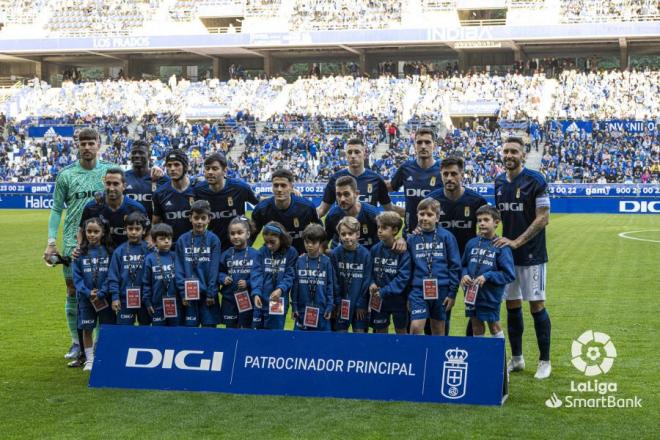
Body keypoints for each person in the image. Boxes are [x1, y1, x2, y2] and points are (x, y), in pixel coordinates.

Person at [42, 128, 114, 364]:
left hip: (104, 245)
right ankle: (77, 342)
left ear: (98, 144)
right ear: (77, 146)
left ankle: (103, 344)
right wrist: (52, 242)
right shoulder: (66, 175)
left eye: (91, 142)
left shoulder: (110, 172)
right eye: (82, 143)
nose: (86, 147)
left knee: (106, 291)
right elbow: (56, 209)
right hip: (75, 245)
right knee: (73, 291)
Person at [493, 136, 552, 380]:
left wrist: (517, 242)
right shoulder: (498, 181)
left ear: (523, 155)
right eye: (506, 151)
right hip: (508, 256)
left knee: (536, 305)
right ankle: (517, 358)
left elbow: (543, 218)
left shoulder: (535, 180)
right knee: (512, 304)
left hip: (532, 254)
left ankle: (545, 361)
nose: (509, 155)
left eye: (514, 151)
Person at [429, 156, 488, 335]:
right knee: (442, 310)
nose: (449, 178)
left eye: (454, 174)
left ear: (462, 175)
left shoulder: (476, 201)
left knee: (475, 311)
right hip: (442, 264)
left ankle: (472, 350)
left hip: (469, 265)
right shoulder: (432, 201)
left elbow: (486, 232)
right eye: (445, 174)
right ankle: (441, 350)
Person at [407, 198, 461, 336]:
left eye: (429, 215)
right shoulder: (412, 239)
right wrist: (408, 293)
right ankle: (416, 357)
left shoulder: (447, 237)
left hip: (441, 289)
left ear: (437, 217)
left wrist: (452, 293)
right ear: (417, 215)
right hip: (418, 289)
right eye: (422, 214)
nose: (425, 218)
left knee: (438, 329)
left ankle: (435, 357)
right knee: (416, 327)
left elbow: (454, 266)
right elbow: (408, 267)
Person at [460, 205, 515, 337]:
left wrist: (487, 276)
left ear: (496, 222)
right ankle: (480, 358)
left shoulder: (501, 246)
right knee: (476, 326)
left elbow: (509, 275)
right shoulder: (471, 243)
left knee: (494, 326)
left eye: (486, 220)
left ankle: (499, 357)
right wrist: (464, 275)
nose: (482, 223)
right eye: (479, 220)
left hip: (490, 295)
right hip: (471, 294)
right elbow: (463, 265)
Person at [316, 138, 399, 218]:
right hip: (345, 230)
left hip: (369, 230)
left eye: (357, 152)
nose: (353, 156)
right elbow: (322, 210)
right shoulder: (336, 178)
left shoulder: (376, 179)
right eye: (349, 152)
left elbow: (390, 208)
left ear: (364, 154)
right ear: (346, 155)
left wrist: (410, 212)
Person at [72, 217, 114, 371]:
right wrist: (88, 292)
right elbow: (76, 278)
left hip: (104, 298)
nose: (92, 235)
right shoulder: (79, 254)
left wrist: (102, 292)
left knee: (106, 327)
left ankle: (103, 356)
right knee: (87, 328)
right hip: (86, 299)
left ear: (103, 233)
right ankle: (89, 359)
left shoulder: (110, 252)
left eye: (96, 232)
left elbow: (112, 275)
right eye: (89, 231)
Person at [193, 153, 258, 251]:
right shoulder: (198, 190)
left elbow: (261, 206)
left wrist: (251, 234)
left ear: (225, 171)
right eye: (207, 168)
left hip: (238, 247)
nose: (210, 172)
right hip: (213, 246)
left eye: (215, 169)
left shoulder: (240, 188)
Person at [252, 168, 321, 254]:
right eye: (276, 185)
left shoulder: (306, 207)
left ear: (291, 187)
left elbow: (320, 231)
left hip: (300, 258)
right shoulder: (261, 209)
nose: (279, 189)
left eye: (283, 185)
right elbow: (251, 236)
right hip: (273, 258)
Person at [175, 200, 221, 328]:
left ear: (209, 219)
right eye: (196, 218)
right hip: (189, 296)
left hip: (208, 295)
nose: (199, 221)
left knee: (209, 332)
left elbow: (214, 269)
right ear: (190, 218)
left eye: (203, 218)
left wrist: (211, 292)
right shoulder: (182, 240)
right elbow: (179, 269)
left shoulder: (213, 240)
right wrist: (183, 293)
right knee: (190, 333)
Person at [388, 127, 444, 234]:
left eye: (427, 142)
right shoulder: (405, 168)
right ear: (415, 145)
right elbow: (389, 187)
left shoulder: (443, 170)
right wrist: (389, 206)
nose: (423, 146)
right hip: (410, 234)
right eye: (419, 142)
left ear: (434, 146)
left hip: (436, 234)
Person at [79, 168, 148, 246]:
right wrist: (79, 247)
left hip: (126, 255)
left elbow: (147, 233)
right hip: (101, 255)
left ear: (124, 186)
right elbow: (81, 230)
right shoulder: (91, 207)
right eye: (108, 183)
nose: (111, 188)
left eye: (116, 184)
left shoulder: (136, 208)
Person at [369, 212, 411, 334]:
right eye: (378, 227)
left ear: (395, 230)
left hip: (399, 300)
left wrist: (383, 291)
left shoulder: (403, 252)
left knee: (401, 330)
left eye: (384, 228)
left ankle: (402, 353)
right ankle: (381, 353)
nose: (379, 231)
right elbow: (369, 271)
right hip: (379, 299)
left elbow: (403, 278)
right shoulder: (375, 249)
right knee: (380, 331)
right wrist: (371, 283)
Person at [250, 222, 298, 330]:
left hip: (278, 301)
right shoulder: (262, 252)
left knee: (275, 335)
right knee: (257, 336)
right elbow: (256, 274)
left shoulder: (291, 253)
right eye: (266, 242)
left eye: (272, 242)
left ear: (282, 238)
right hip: (261, 301)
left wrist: (281, 289)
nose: (269, 246)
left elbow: (290, 275)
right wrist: (256, 293)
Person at [107, 212, 151, 325]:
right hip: (124, 299)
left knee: (145, 331)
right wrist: (115, 297)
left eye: (137, 229)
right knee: (124, 332)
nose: (134, 232)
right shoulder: (119, 251)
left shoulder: (150, 250)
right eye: (130, 229)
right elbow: (113, 276)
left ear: (144, 231)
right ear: (125, 230)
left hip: (145, 300)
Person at [330, 216, 372, 333]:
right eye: (343, 234)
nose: (347, 237)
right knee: (340, 336)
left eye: (350, 233)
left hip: (359, 303)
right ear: (339, 235)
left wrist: (361, 304)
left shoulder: (366, 254)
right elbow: (334, 281)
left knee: (359, 335)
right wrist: (338, 301)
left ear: (357, 234)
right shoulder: (335, 254)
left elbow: (366, 280)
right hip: (341, 304)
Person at [291, 224, 335, 331]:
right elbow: (295, 286)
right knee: (299, 344)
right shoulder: (299, 261)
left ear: (320, 243)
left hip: (322, 311)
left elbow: (330, 285)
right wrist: (294, 307)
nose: (309, 245)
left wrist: (329, 306)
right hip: (302, 311)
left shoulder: (326, 262)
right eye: (307, 242)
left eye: (313, 243)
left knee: (322, 344)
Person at [219, 216, 259, 329]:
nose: (236, 236)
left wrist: (248, 283)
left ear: (248, 234)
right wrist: (223, 278)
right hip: (229, 299)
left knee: (247, 329)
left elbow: (259, 275)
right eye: (232, 233)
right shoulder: (226, 254)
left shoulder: (255, 254)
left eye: (240, 233)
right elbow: (219, 271)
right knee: (230, 329)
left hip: (247, 299)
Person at [152, 149, 195, 245]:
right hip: (171, 248)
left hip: (196, 247)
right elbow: (155, 223)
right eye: (169, 165)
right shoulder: (160, 193)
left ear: (186, 167)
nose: (172, 168)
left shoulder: (198, 188)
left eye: (176, 164)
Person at [324, 176, 379, 249]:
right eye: (339, 195)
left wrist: (399, 240)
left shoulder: (372, 214)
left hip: (365, 258)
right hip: (340, 259)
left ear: (356, 193)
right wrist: (333, 254)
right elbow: (324, 243)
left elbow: (386, 242)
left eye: (346, 194)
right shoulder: (332, 216)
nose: (342, 199)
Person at [142, 223, 180, 327]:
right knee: (159, 336)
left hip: (175, 304)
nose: (167, 241)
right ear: (154, 241)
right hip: (156, 305)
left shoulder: (175, 257)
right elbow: (146, 283)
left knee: (174, 334)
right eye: (162, 239)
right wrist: (148, 302)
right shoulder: (149, 259)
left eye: (169, 238)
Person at [124, 140, 169, 219]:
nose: (137, 155)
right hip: (131, 229)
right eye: (134, 152)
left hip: (154, 228)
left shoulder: (160, 178)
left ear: (149, 155)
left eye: (141, 152)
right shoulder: (123, 178)